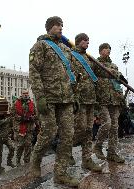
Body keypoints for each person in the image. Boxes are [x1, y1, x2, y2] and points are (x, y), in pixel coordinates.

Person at [29, 16, 79, 187]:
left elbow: (72, 74)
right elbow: (34, 72)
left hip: (66, 98)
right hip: (48, 97)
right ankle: (36, 158)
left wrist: (75, 96)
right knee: (49, 133)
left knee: (68, 135)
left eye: (62, 25)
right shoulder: (40, 46)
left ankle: (61, 173)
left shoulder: (66, 49)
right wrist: (40, 97)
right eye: (57, 25)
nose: (61, 28)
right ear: (49, 27)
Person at [69, 33, 102, 172]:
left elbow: (97, 74)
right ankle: (66, 150)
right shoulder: (70, 56)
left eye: (88, 41)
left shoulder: (89, 59)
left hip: (90, 99)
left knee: (89, 131)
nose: (87, 43)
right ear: (78, 42)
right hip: (79, 99)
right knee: (80, 129)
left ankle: (87, 159)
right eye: (85, 40)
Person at [93, 43, 126, 163]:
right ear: (100, 50)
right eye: (106, 49)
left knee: (114, 127)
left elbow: (117, 84)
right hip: (102, 99)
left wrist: (121, 98)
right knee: (106, 123)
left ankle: (112, 152)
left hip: (115, 99)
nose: (108, 51)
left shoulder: (114, 66)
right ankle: (97, 145)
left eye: (109, 49)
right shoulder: (95, 63)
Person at [13, 89, 35, 166]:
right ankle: (18, 162)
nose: (25, 94)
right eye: (24, 93)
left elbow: (36, 115)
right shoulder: (16, 103)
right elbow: (12, 114)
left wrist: (32, 118)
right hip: (19, 128)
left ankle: (27, 161)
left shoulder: (32, 103)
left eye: (26, 93)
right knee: (20, 146)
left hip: (29, 128)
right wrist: (21, 118)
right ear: (21, 94)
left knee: (28, 146)